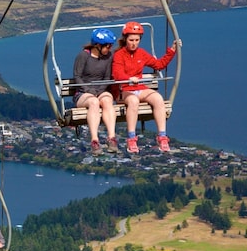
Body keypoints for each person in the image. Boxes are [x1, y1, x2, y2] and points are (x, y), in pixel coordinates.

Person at [111, 21, 180, 154]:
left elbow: (159, 64)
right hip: (123, 90)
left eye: (137, 40)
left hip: (138, 88)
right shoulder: (119, 55)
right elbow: (117, 73)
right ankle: (131, 138)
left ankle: (162, 136)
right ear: (125, 39)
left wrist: (172, 51)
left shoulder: (141, 53)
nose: (134, 43)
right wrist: (128, 78)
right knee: (133, 101)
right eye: (131, 40)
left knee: (158, 99)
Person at [72, 28, 119, 155]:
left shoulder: (108, 57)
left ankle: (111, 138)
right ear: (97, 45)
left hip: (101, 89)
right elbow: (77, 76)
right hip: (83, 92)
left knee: (107, 101)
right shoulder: (83, 56)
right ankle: (94, 140)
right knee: (93, 102)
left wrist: (100, 90)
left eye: (110, 46)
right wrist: (89, 90)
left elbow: (107, 77)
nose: (109, 49)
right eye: (107, 46)